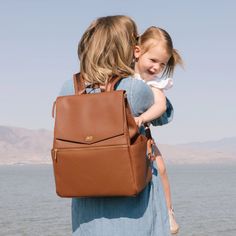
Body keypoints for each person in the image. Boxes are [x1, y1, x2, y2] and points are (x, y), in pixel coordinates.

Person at [59, 15, 173, 236]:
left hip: (86, 211)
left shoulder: (69, 87)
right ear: (127, 47)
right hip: (133, 212)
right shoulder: (133, 89)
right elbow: (164, 115)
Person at [133, 26, 183, 234]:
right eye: (153, 60)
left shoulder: (153, 84)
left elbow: (160, 106)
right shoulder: (122, 75)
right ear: (137, 52)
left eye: (162, 64)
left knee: (160, 168)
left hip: (143, 134)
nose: (156, 68)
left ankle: (168, 211)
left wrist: (142, 118)